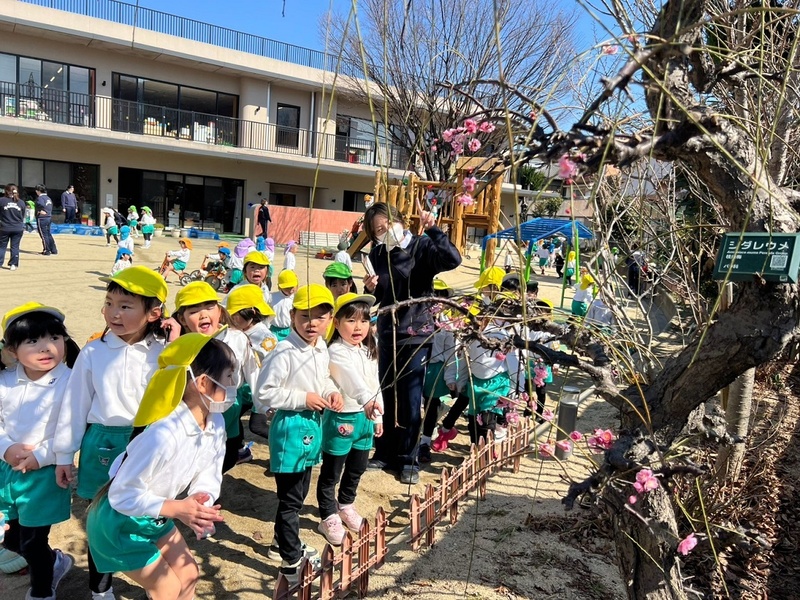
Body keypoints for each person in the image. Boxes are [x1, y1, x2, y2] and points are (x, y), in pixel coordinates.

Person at [86, 335, 233, 600]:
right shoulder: (163, 435)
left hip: (155, 515)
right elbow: (121, 494)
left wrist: (201, 503)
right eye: (229, 377)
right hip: (119, 522)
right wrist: (178, 509)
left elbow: (209, 470)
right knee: (167, 589)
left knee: (189, 575)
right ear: (203, 383)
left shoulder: (215, 422)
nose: (234, 385)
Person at [54, 266, 169, 600]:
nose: (113, 313)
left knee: (146, 515)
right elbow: (74, 405)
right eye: (109, 303)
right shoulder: (94, 351)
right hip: (102, 441)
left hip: (148, 441)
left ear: (154, 313)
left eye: (125, 306)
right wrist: (64, 455)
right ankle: (100, 588)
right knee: (101, 519)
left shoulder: (165, 353)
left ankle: (155, 581)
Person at [362, 200, 461, 484]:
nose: (384, 232)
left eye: (387, 225)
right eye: (378, 231)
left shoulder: (421, 246)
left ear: (400, 221)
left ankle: (408, 458)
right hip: (388, 331)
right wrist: (372, 288)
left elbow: (452, 260)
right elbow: (383, 295)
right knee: (387, 392)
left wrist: (433, 229)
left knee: (410, 396)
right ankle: (384, 451)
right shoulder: (378, 252)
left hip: (416, 331)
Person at [254, 285, 342, 584]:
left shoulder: (320, 346)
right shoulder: (284, 351)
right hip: (290, 427)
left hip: (312, 426)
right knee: (290, 499)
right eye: (304, 316)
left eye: (319, 317)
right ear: (292, 316)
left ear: (330, 320)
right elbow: (264, 392)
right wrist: (302, 398)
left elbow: (324, 378)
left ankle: (280, 542)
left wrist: (330, 392)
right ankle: (291, 561)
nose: (311, 323)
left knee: (300, 490)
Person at [0, 303, 79, 600]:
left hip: (45, 474)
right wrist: (6, 448)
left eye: (54, 338)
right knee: (11, 539)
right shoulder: (5, 381)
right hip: (7, 470)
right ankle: (54, 560)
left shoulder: (71, 381)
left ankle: (42, 591)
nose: (46, 347)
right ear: (12, 350)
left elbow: (73, 428)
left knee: (33, 542)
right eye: (33, 341)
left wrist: (42, 456)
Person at [169, 282, 259, 472]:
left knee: (228, 455)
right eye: (194, 311)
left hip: (230, 406)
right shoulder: (181, 345)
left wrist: (263, 405)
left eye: (209, 307)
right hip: (195, 410)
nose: (203, 314)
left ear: (220, 311)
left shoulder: (237, 338)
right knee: (199, 459)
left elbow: (252, 371)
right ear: (182, 319)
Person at [318, 293, 383, 545]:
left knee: (357, 467)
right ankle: (328, 515)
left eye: (364, 321)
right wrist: (367, 401)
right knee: (332, 471)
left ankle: (346, 504)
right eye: (351, 320)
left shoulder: (368, 349)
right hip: (342, 418)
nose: (358, 327)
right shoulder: (335, 351)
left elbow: (375, 383)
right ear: (336, 323)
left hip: (366, 417)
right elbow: (353, 381)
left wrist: (378, 416)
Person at [225, 284, 278, 442]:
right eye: (231, 314)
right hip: (244, 390)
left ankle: (282, 441)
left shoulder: (264, 337)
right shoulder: (238, 332)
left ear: (252, 312)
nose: (232, 319)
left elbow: (274, 366)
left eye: (236, 315)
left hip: (258, 388)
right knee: (234, 418)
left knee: (256, 425)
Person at [0, 183, 25, 271]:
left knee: (2, 246)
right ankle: (13, 264)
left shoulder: (2, 200)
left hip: (5, 227)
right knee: (15, 247)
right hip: (18, 228)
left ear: (6, 191)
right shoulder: (21, 202)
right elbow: (22, 215)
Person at [270, 270, 298, 341]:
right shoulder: (272, 297)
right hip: (274, 331)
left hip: (290, 330)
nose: (290, 290)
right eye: (287, 288)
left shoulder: (296, 299)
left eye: (292, 287)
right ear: (279, 287)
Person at [34, 185, 58, 256]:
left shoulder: (40, 198)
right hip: (48, 217)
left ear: (38, 191)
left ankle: (46, 250)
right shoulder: (48, 198)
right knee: (48, 233)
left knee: (43, 235)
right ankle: (53, 249)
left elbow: (40, 204)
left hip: (42, 218)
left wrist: (40, 210)